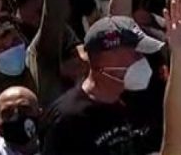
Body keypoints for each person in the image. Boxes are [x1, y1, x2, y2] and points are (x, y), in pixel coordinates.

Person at [39, 15, 164, 154]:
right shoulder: (66, 120)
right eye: (136, 54)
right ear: (109, 57)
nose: (142, 60)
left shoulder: (130, 103)